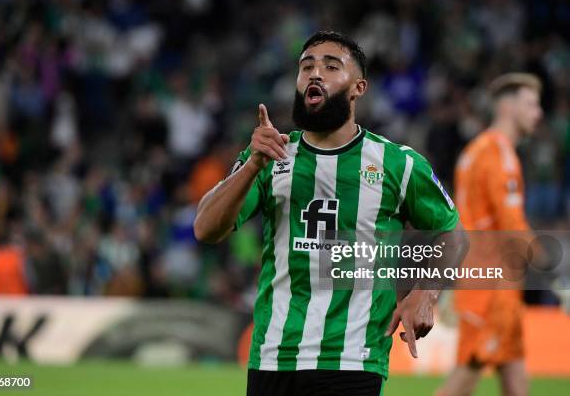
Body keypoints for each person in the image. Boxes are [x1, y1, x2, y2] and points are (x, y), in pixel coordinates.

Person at [194, 31, 467, 396]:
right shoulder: (270, 155)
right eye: (306, 66)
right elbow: (206, 229)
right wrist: (251, 165)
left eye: (330, 65)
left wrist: (427, 291)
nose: (314, 73)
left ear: (358, 88)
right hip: (274, 355)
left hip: (354, 357)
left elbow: (453, 234)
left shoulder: (397, 163)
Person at [438, 73, 543, 396]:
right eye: (531, 103)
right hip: (491, 287)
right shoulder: (499, 154)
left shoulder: (475, 150)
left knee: (515, 378)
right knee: (464, 378)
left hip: (492, 282)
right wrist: (554, 269)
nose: (538, 112)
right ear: (508, 107)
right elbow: (511, 224)